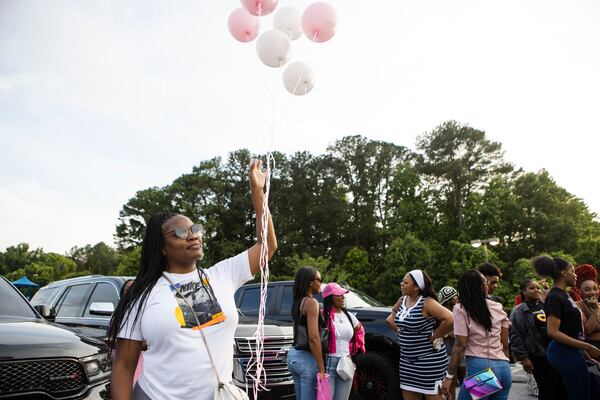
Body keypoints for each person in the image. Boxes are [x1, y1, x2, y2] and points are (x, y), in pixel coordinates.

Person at [107, 159, 277, 400]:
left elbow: (267, 246)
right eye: (179, 232)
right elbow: (124, 366)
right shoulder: (142, 295)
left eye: (195, 229)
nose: (192, 236)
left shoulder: (222, 275)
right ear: (162, 247)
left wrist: (257, 191)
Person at [532, 255, 600, 400]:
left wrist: (585, 355)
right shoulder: (555, 296)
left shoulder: (564, 295)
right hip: (563, 352)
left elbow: (571, 331)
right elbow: (553, 331)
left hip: (573, 351)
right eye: (572, 270)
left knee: (585, 392)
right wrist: (587, 346)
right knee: (579, 395)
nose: (575, 275)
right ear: (564, 273)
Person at [441, 270, 512, 400]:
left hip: (483, 370)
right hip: (504, 369)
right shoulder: (497, 307)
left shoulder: (462, 308)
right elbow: (505, 345)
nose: (487, 285)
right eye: (486, 283)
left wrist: (449, 376)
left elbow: (461, 344)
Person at [386, 269, 453, 400]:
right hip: (406, 363)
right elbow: (390, 319)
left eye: (405, 283)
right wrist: (402, 331)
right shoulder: (402, 300)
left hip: (428, 364)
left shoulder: (426, 302)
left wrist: (435, 335)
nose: (401, 284)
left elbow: (450, 319)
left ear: (416, 287)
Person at [509, 278, 567, 400]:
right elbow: (515, 335)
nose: (536, 290)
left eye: (538, 288)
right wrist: (524, 358)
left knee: (561, 388)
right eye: (532, 288)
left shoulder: (546, 306)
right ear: (523, 292)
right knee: (546, 389)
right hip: (538, 356)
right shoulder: (519, 311)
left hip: (555, 353)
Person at [287, 266, 326, 400]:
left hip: (293, 356)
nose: (320, 283)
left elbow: (295, 333)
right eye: (319, 280)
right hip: (306, 359)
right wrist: (321, 368)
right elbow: (313, 338)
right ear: (310, 282)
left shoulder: (296, 302)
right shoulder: (311, 303)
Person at [322, 282, 365, 400]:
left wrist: (352, 349)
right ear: (330, 298)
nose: (343, 297)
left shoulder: (349, 316)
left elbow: (360, 330)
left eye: (343, 295)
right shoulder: (322, 315)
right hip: (328, 364)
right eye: (338, 295)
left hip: (346, 363)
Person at [438, 286, 465, 400]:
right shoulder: (442, 315)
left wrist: (450, 333)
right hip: (449, 354)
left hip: (463, 353)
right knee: (450, 387)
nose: (456, 300)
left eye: (456, 298)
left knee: (468, 384)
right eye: (452, 300)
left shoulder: (463, 310)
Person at [573, 264, 600, 348]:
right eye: (587, 290)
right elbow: (587, 331)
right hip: (592, 348)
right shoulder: (577, 306)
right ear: (580, 291)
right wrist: (595, 311)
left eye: (595, 289)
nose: (592, 292)